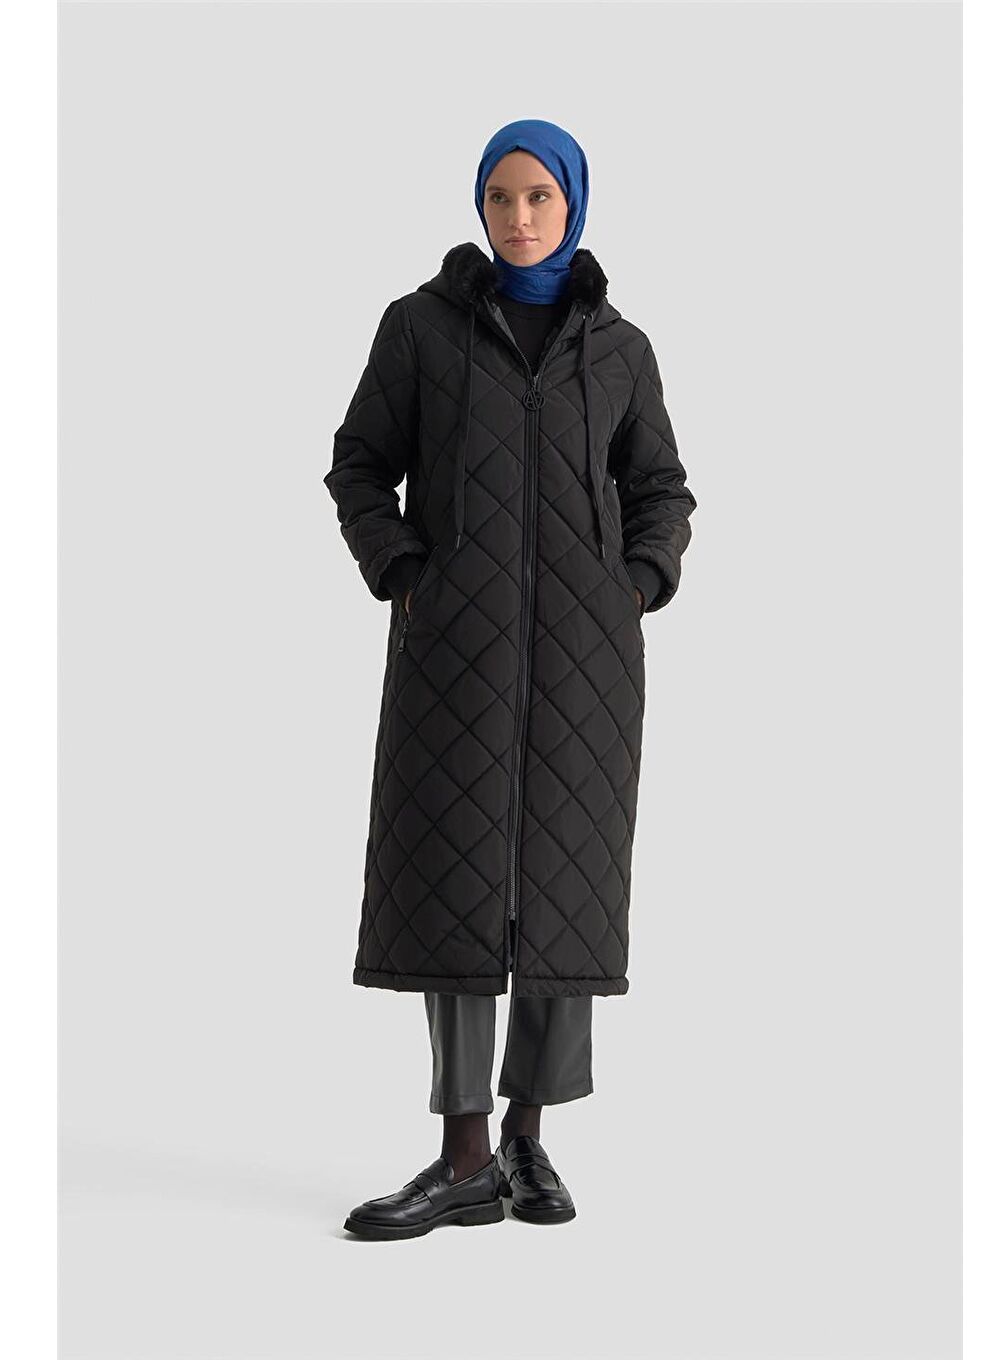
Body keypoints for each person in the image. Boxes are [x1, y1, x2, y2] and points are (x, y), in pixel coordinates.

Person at [324, 118, 696, 1240]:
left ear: (573, 203)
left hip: (588, 664)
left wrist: (637, 582)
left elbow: (661, 486)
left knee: (564, 888)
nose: (520, 217)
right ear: (479, 205)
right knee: (454, 881)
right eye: (500, 196)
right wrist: (404, 572)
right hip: (455, 655)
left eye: (540, 196)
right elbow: (358, 466)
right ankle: (463, 1155)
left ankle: (529, 1139)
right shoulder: (420, 328)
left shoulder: (620, 350)